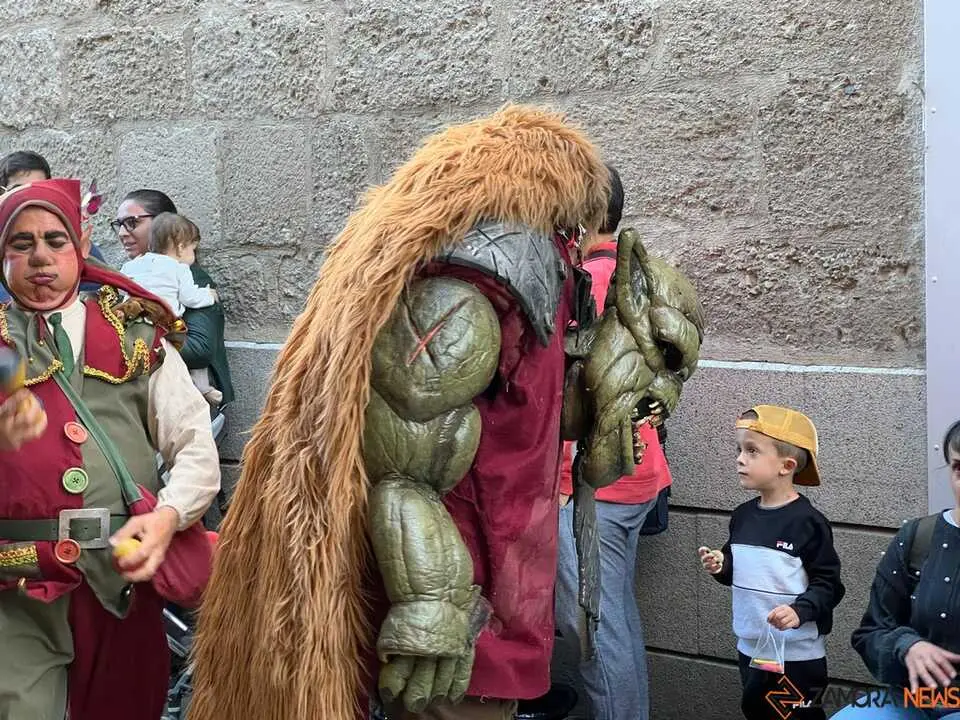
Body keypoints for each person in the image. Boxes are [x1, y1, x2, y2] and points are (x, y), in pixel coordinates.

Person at [187, 105, 705, 720]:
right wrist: (430, 603)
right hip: (458, 607)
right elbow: (407, 459)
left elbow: (515, 416)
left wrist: (605, 392)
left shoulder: (527, 267)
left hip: (494, 584)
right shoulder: (474, 284)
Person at [0, 178, 220, 720]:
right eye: (20, 245)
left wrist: (169, 516)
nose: (40, 259)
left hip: (123, 579)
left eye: (55, 240)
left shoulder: (136, 335)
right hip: (14, 589)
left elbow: (194, 444)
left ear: (81, 241)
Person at [553, 165, 692, 720]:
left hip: (593, 484)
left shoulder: (580, 285)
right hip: (637, 477)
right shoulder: (644, 274)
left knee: (593, 629)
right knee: (615, 618)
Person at [699, 405, 846, 720]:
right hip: (753, 649)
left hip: (796, 656)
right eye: (739, 449)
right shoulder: (742, 516)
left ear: (787, 465)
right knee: (759, 712)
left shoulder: (809, 522)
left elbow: (829, 585)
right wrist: (721, 564)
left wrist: (798, 611)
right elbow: (737, 566)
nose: (740, 458)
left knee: (795, 716)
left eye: (752, 451)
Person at [829, 423, 960, 719]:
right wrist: (907, 645)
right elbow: (871, 631)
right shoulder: (918, 536)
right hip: (913, 698)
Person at [113, 190, 234, 409]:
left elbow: (200, 350)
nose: (122, 232)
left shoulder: (192, 277)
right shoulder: (127, 272)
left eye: (132, 222)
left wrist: (136, 344)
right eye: (119, 224)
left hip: (184, 403)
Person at [0, 150, 108, 300]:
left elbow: (102, 299)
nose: (29, 197)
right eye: (19, 190)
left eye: (39, 188)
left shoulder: (75, 246)